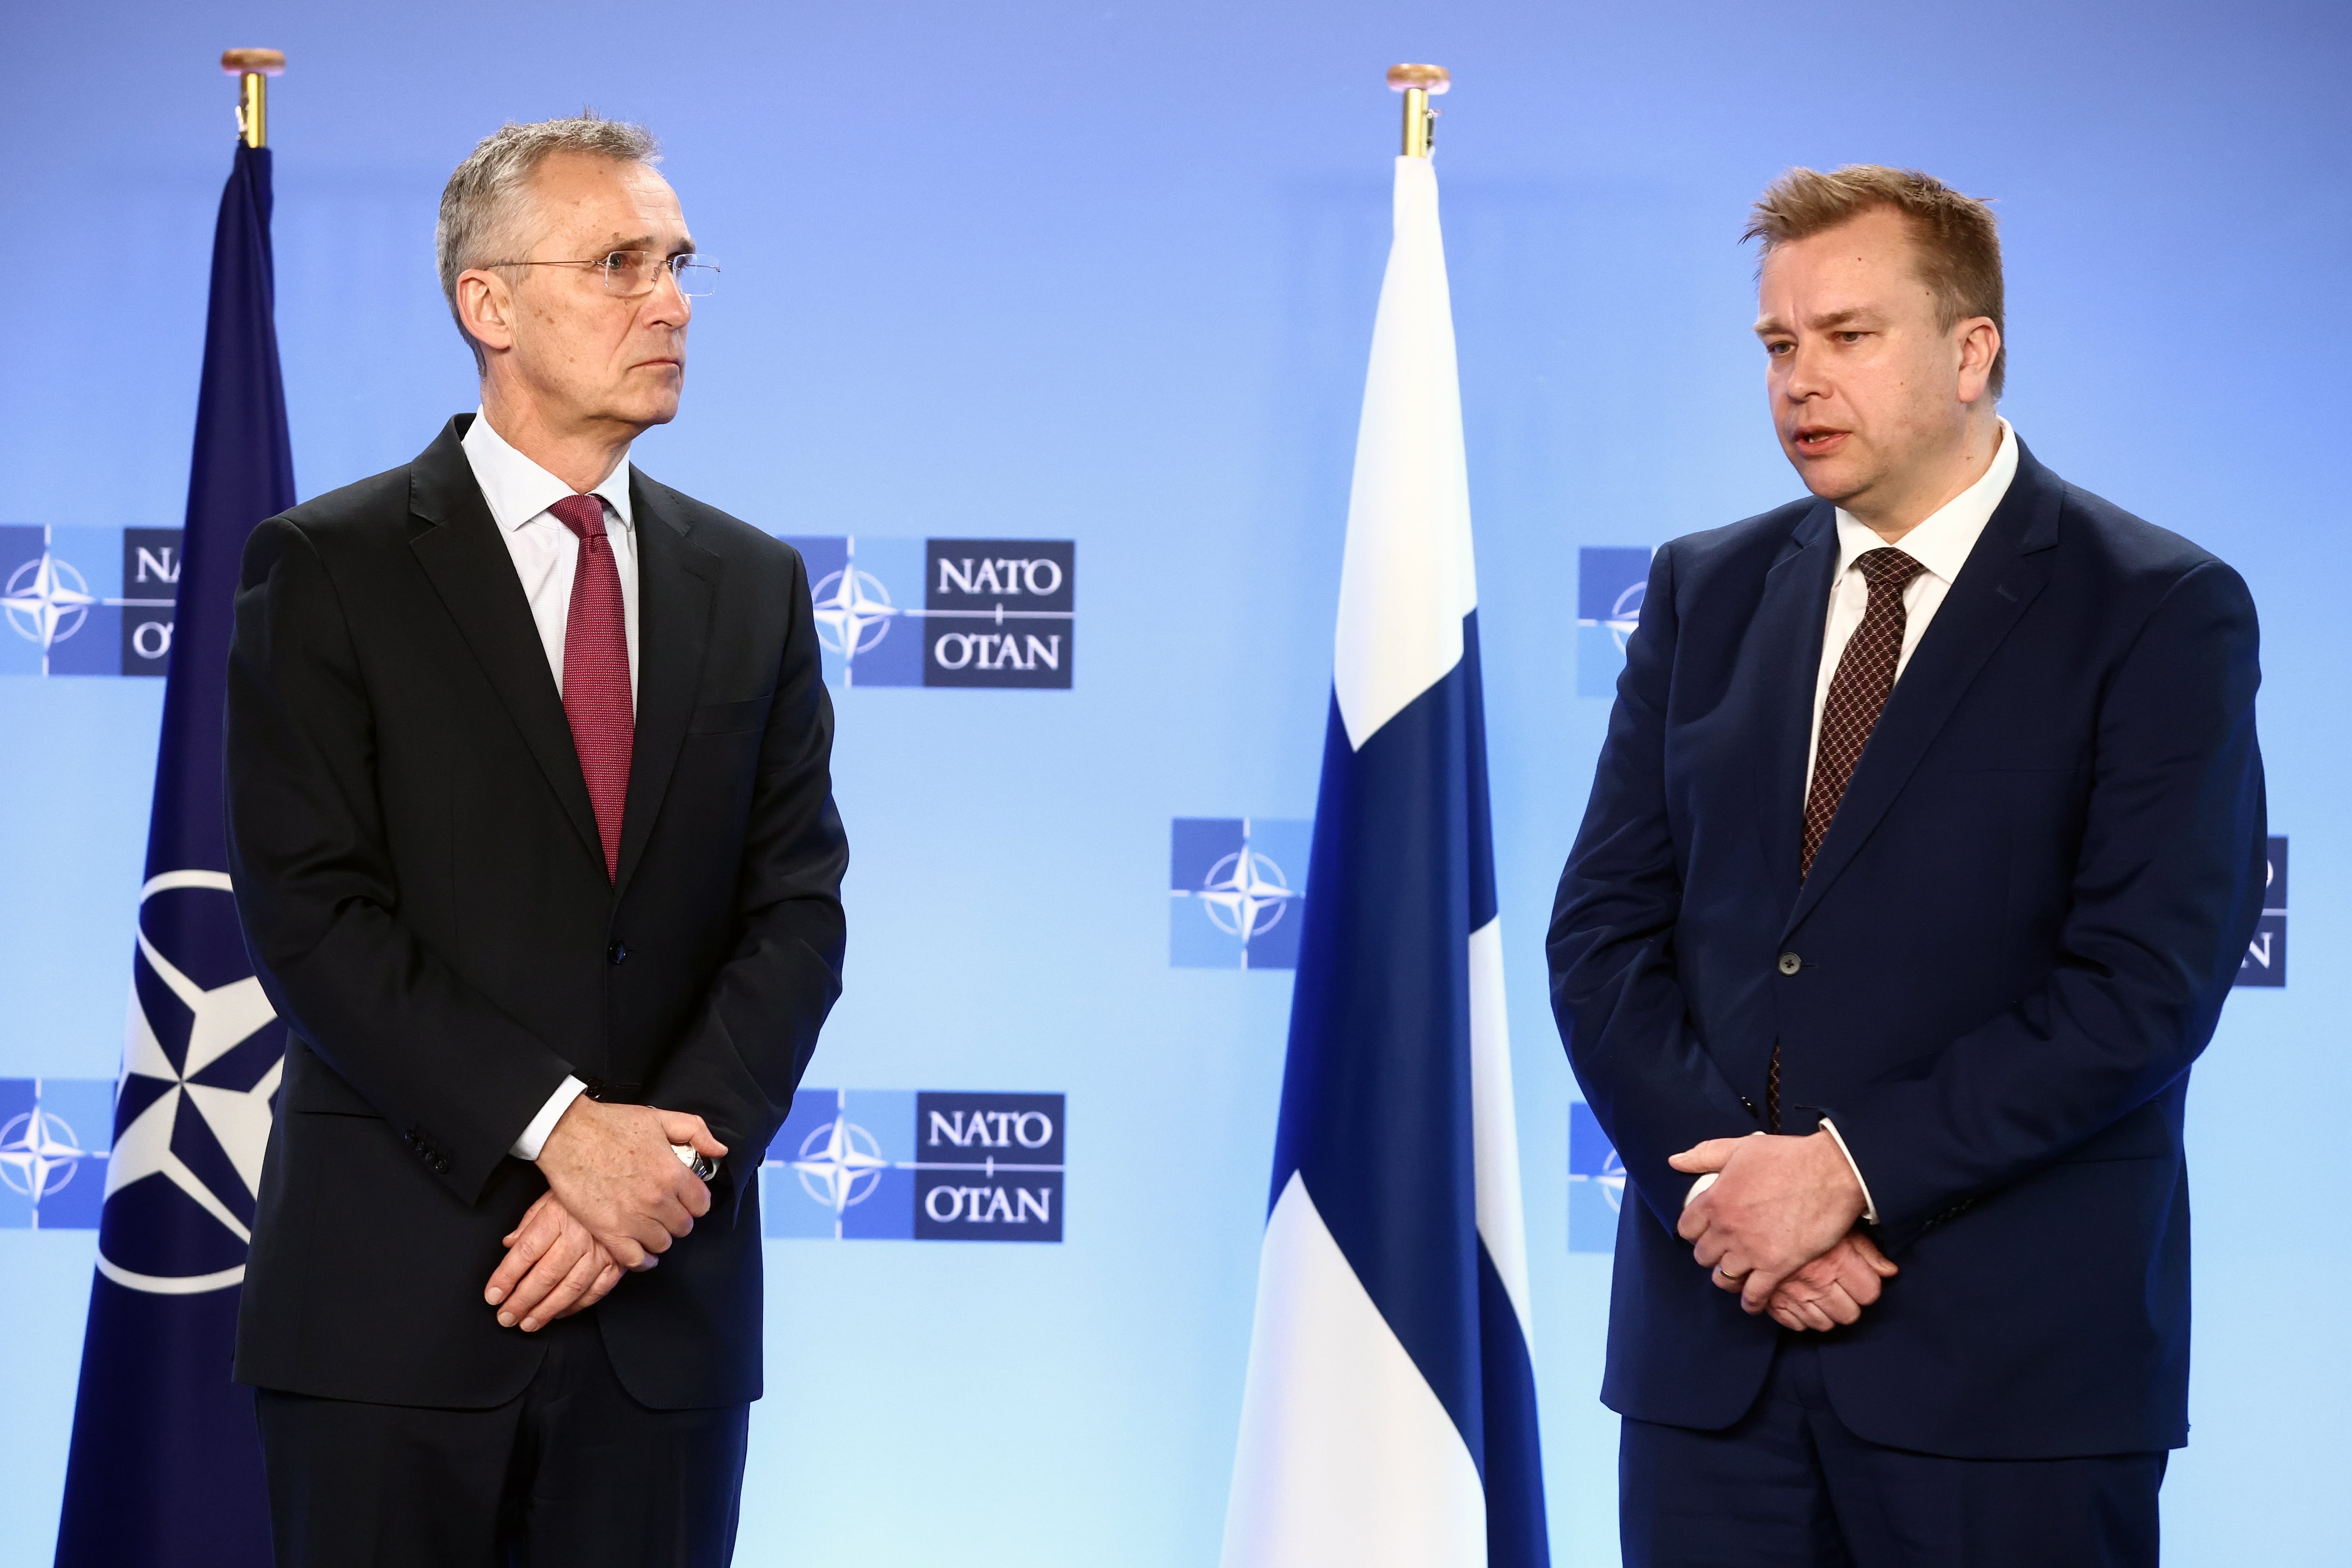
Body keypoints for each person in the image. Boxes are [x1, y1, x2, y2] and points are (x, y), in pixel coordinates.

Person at [1547, 164, 2264, 1567]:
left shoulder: (2158, 608)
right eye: (1778, 345)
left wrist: (1848, 1176)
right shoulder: (1704, 589)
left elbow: (2145, 987)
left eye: (1849, 337)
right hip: (1717, 1373)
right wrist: (1734, 1205)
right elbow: (1604, 938)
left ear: (1971, 350)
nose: (1802, 382)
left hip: (2008, 1389)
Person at [224, 114, 846, 1567]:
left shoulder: (751, 584)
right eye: (620, 261)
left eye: (678, 261)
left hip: (663, 1321)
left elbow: (796, 912)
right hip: (390, 1320)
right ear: (486, 305)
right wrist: (565, 1135)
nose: (671, 301)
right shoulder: (328, 567)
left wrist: (661, 1180)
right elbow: (314, 917)